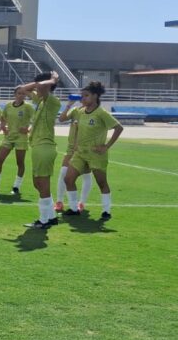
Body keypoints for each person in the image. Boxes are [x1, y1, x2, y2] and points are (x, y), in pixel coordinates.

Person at [62, 82, 124, 221]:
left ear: (95, 96)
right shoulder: (81, 112)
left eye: (86, 95)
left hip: (96, 154)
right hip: (80, 153)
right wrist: (76, 143)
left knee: (101, 182)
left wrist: (106, 146)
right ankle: (73, 209)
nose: (82, 98)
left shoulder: (101, 113)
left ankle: (106, 211)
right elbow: (75, 127)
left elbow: (119, 128)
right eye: (82, 96)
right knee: (68, 179)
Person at [20, 71, 61, 229]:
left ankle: (44, 220)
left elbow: (40, 86)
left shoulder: (52, 101)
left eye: (39, 86)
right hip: (38, 146)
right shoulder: (41, 101)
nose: (36, 89)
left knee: (42, 184)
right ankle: (51, 217)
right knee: (38, 184)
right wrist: (41, 82)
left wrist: (52, 80)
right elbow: (23, 89)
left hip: (45, 147)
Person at [0, 86, 33, 194]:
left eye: (23, 93)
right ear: (15, 94)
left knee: (20, 163)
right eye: (19, 93)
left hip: (21, 138)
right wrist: (3, 128)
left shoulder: (28, 107)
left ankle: (16, 187)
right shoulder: (8, 106)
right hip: (9, 137)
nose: (21, 95)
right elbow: (3, 118)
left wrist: (28, 129)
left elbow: (37, 119)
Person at [57, 97, 94, 212]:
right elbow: (61, 119)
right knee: (63, 172)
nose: (83, 99)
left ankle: (81, 202)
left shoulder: (95, 113)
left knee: (86, 175)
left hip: (86, 149)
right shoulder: (75, 110)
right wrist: (68, 105)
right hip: (71, 148)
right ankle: (59, 201)